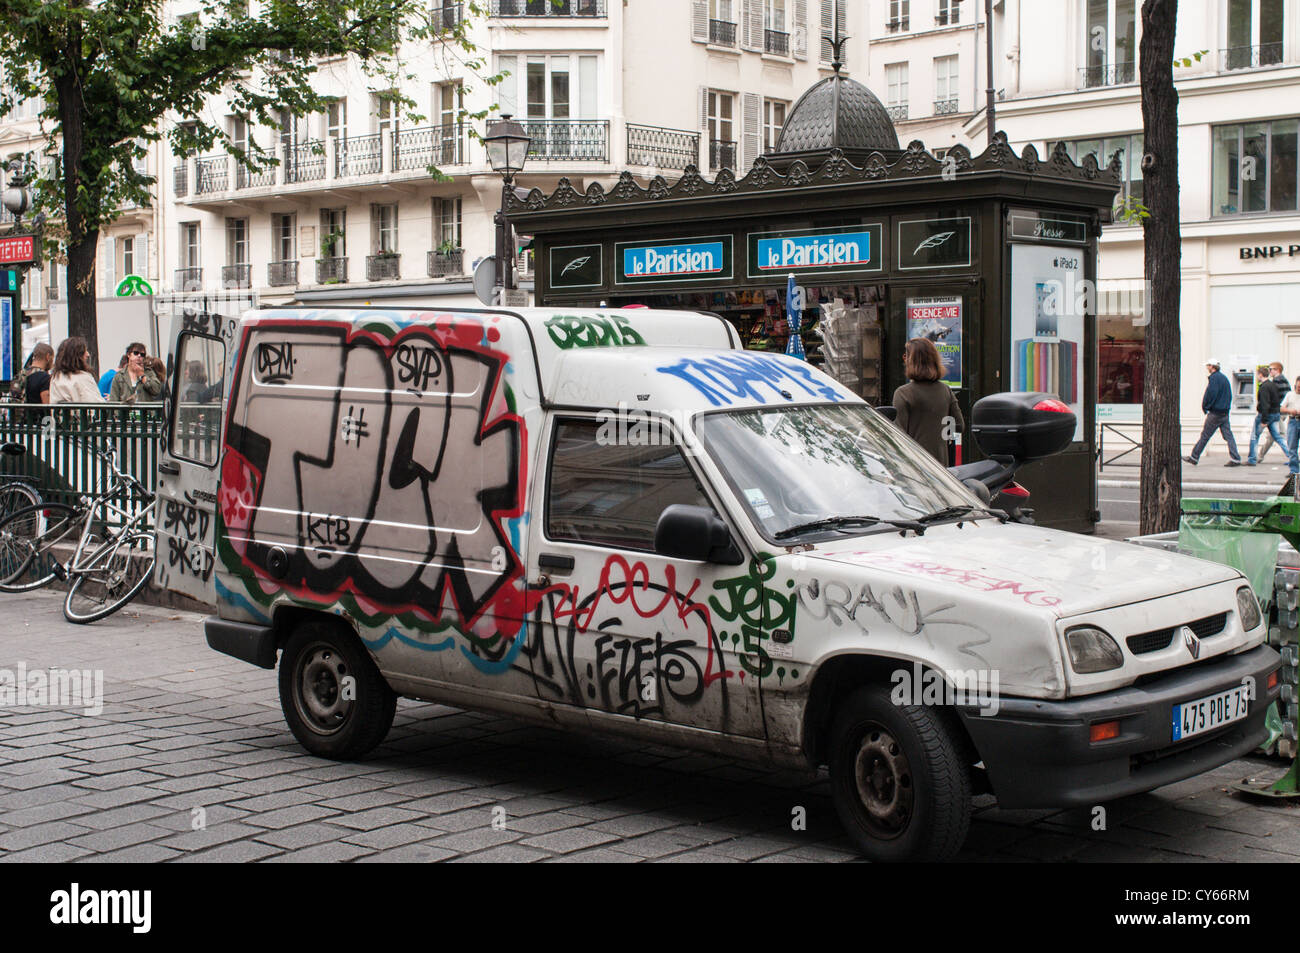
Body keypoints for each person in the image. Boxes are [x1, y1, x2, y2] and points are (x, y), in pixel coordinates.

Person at [893, 337, 963, 465]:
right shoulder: (945, 390)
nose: (904, 359)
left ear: (912, 361)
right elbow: (959, 425)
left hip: (915, 467)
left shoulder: (903, 393)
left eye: (906, 356)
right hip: (942, 468)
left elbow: (898, 436)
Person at [1185, 359, 1240, 466]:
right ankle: (1235, 458)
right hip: (1224, 412)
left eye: (1208, 366)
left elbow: (1211, 394)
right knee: (1228, 436)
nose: (1207, 368)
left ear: (1212, 366)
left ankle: (1194, 457)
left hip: (1215, 412)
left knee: (1205, 435)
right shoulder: (1223, 378)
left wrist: (1206, 406)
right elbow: (1229, 395)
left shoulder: (1214, 378)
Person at [1248, 362, 1294, 467]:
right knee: (1276, 436)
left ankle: (1253, 458)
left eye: (1271, 369)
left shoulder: (1272, 383)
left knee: (1256, 436)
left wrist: (1264, 419)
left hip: (1271, 413)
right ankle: (1291, 457)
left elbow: (1266, 403)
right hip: (1276, 413)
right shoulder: (1277, 382)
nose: (1270, 371)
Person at [49, 337, 105, 404]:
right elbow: (95, 404)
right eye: (85, 351)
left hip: (61, 414)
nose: (88, 354)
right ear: (77, 355)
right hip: (80, 413)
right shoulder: (83, 378)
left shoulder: (56, 377)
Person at [1283, 375, 1300, 476]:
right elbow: (1281, 408)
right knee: (1292, 447)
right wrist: (1290, 410)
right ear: (1295, 386)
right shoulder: (1290, 395)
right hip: (1293, 421)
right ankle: (1294, 471)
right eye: (1298, 387)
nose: (1299, 389)